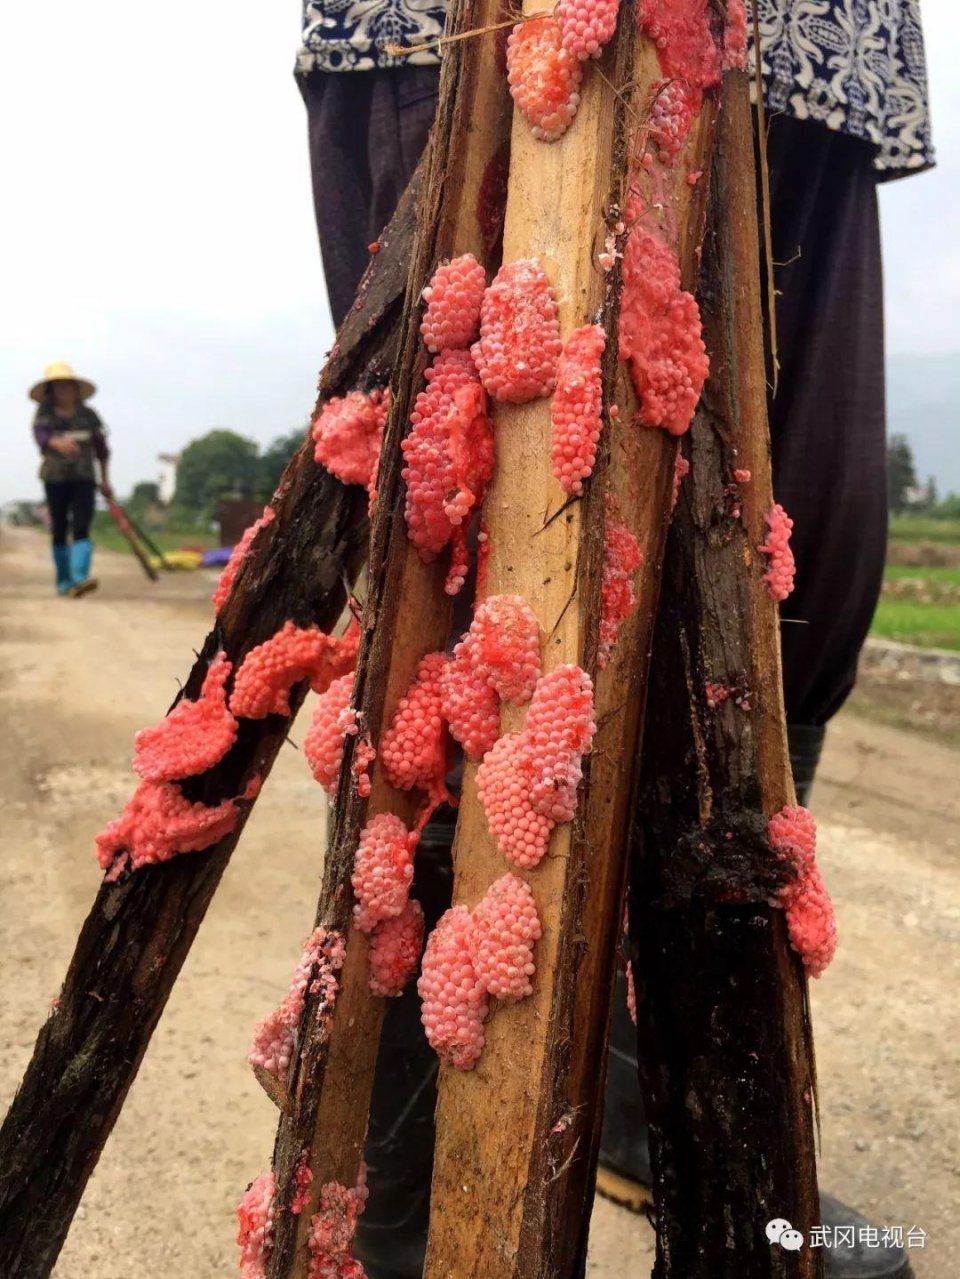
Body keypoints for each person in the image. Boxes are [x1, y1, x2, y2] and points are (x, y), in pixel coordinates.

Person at [295, 4, 934, 1278]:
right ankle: (402, 1211)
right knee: (481, 594)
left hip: (813, 55)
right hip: (479, 34)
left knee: (808, 558)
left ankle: (671, 1123)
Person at [30, 361, 113, 597]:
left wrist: (105, 481)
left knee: (81, 525)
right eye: (58, 387)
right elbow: (42, 436)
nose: (63, 391)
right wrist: (58, 442)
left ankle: (80, 578)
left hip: (84, 477)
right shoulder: (44, 414)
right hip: (55, 478)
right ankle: (64, 581)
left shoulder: (89, 416)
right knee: (59, 527)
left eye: (67, 386)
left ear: (76, 389)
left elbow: (102, 450)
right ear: (50, 391)